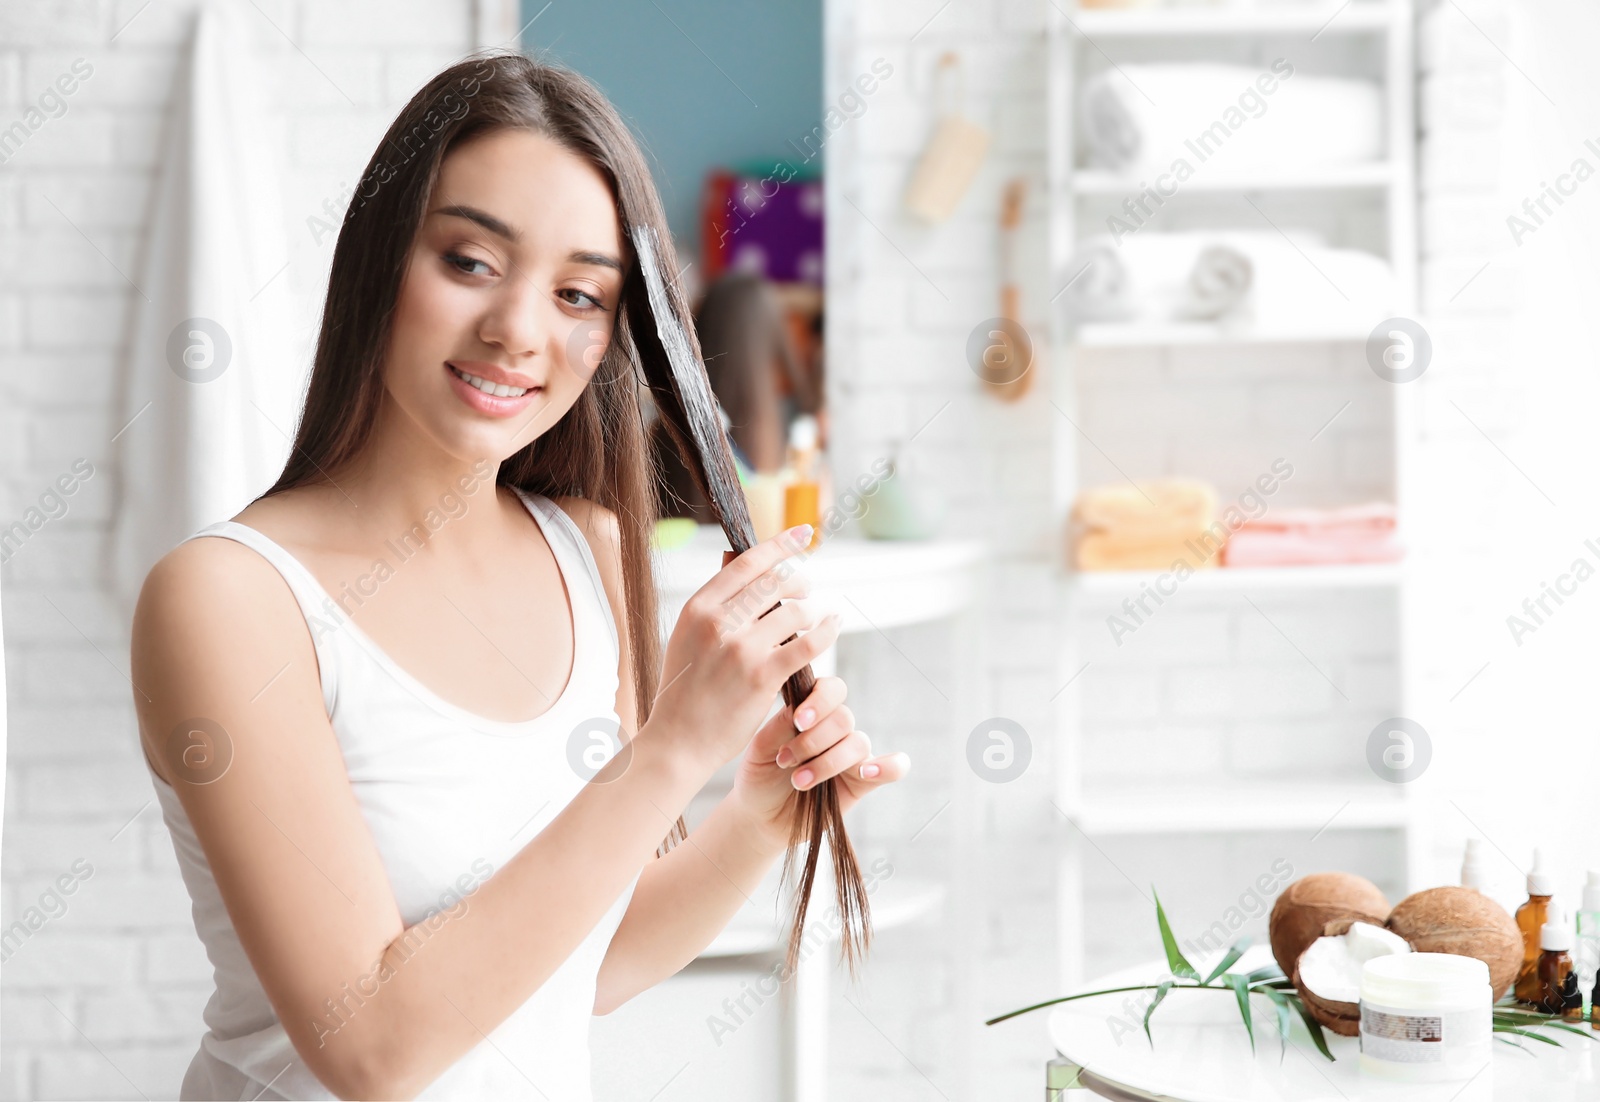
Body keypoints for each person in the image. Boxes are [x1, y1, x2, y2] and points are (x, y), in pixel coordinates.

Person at [129, 52, 909, 1101]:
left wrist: (758, 810)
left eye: (580, 293)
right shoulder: (227, 599)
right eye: (468, 261)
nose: (519, 330)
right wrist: (675, 747)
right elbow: (373, 1047)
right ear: (381, 259)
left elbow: (584, 961)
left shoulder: (584, 547)